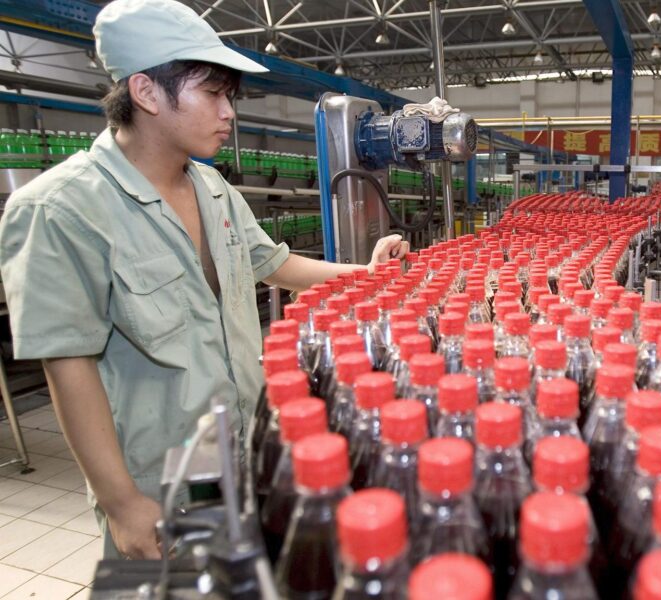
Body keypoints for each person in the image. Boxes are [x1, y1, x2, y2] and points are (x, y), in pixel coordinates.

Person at [0, 0, 407, 560]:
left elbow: (276, 265)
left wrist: (365, 274)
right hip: (161, 482)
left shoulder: (216, 190)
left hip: (244, 453)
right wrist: (122, 505)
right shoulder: (59, 210)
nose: (228, 112)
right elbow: (67, 364)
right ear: (146, 93)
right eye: (212, 94)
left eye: (229, 97)